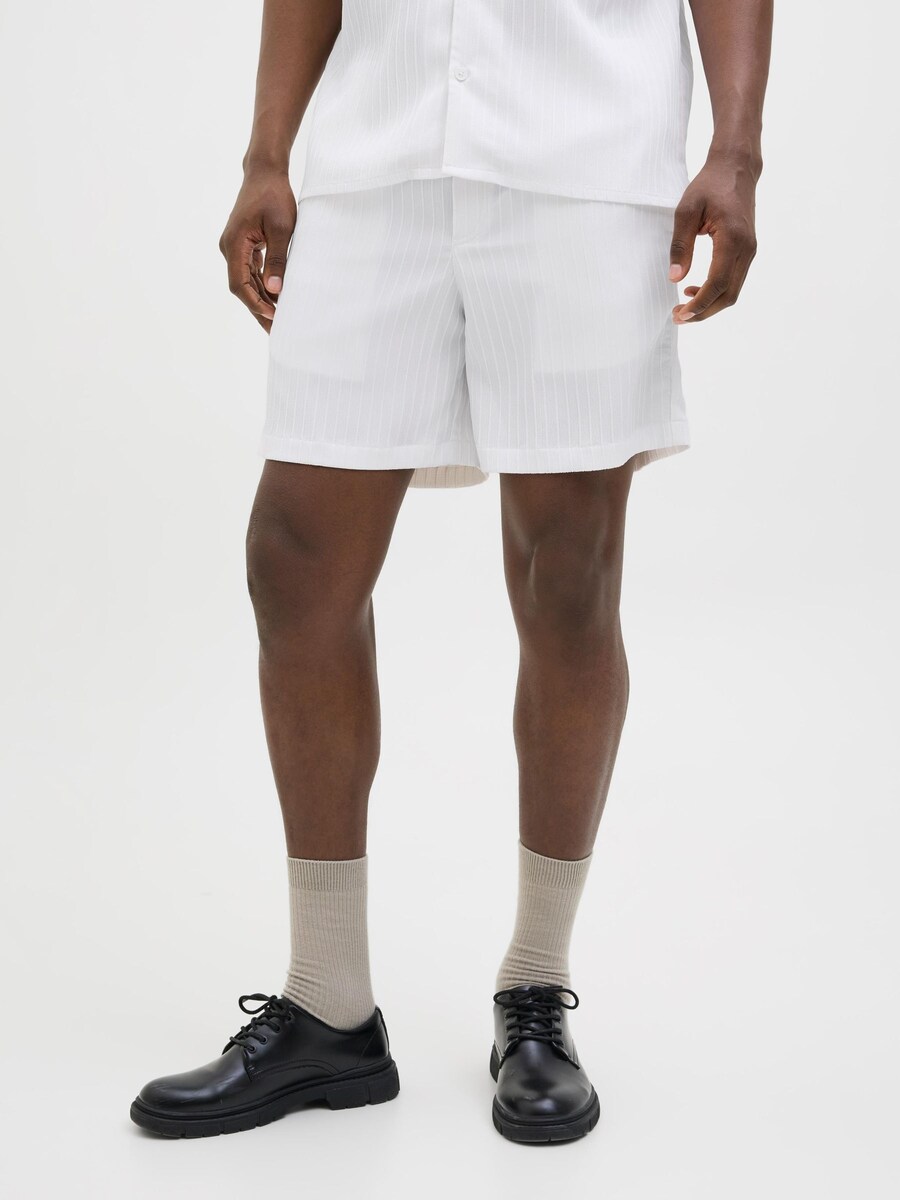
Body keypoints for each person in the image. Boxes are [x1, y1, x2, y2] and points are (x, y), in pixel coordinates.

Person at [130, 0, 772, 1144]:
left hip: (586, 158)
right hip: (376, 155)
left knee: (569, 573)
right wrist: (266, 153)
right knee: (295, 552)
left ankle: (536, 989)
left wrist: (736, 149)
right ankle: (328, 1004)